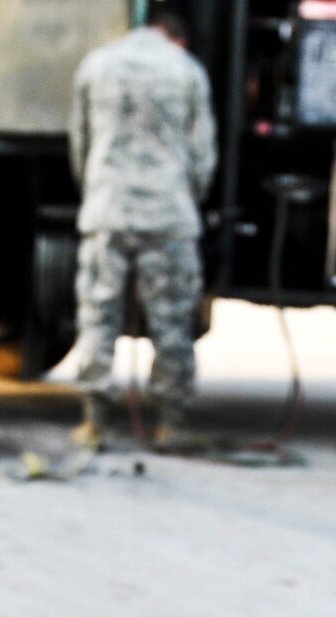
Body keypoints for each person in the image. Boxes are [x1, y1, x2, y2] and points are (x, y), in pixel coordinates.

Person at [67, 6, 216, 453]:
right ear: (178, 39)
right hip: (167, 213)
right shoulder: (187, 70)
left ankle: (94, 422)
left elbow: (80, 142)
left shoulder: (97, 63)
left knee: (98, 317)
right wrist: (188, 197)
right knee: (171, 322)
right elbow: (203, 154)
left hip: (106, 209)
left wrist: (96, 191)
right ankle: (170, 423)